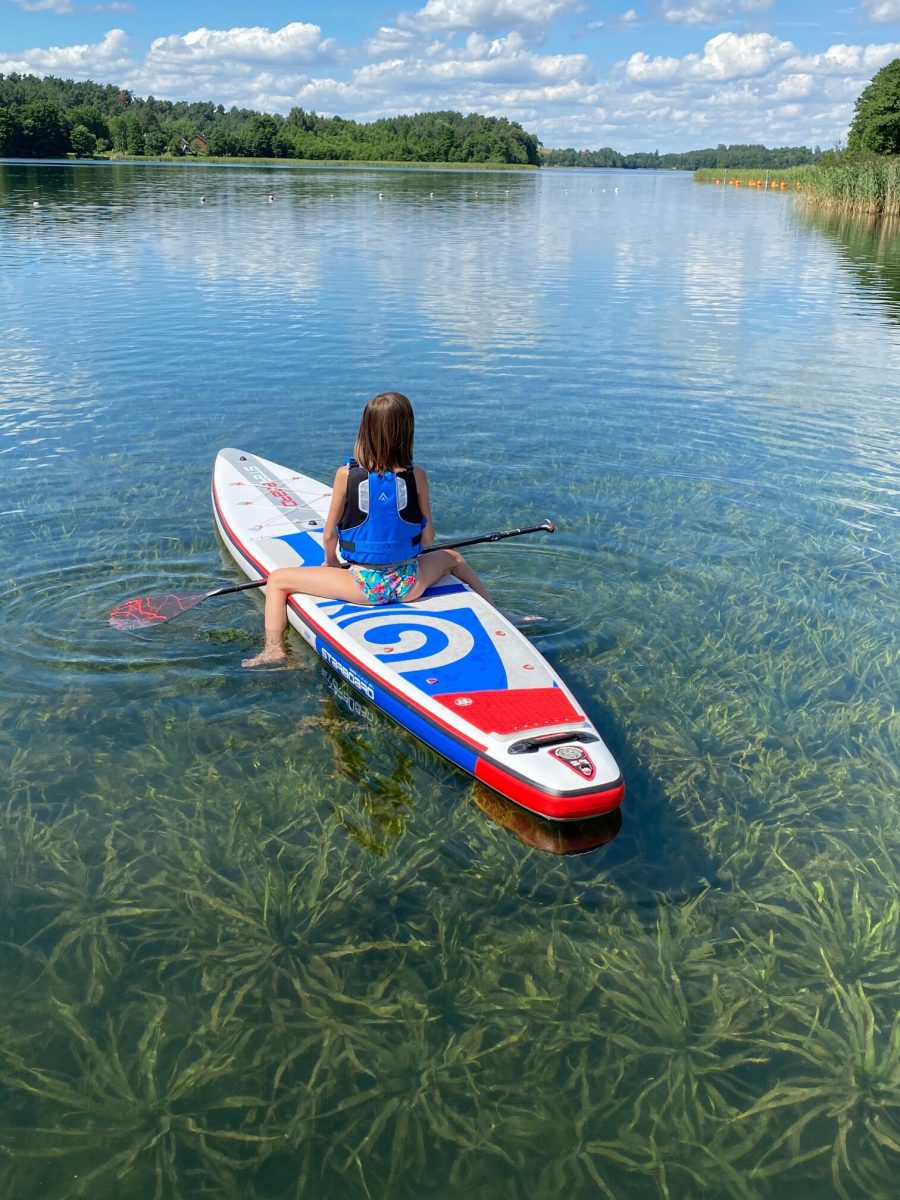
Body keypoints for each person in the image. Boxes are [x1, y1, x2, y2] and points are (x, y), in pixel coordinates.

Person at [242, 391, 493, 667]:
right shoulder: (417, 475)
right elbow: (427, 537)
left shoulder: (346, 475)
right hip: (411, 583)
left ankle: (274, 650)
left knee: (278, 581)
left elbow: (329, 535)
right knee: (454, 557)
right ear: (407, 431)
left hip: (363, 586)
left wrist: (331, 561)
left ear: (366, 430)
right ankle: (500, 613)